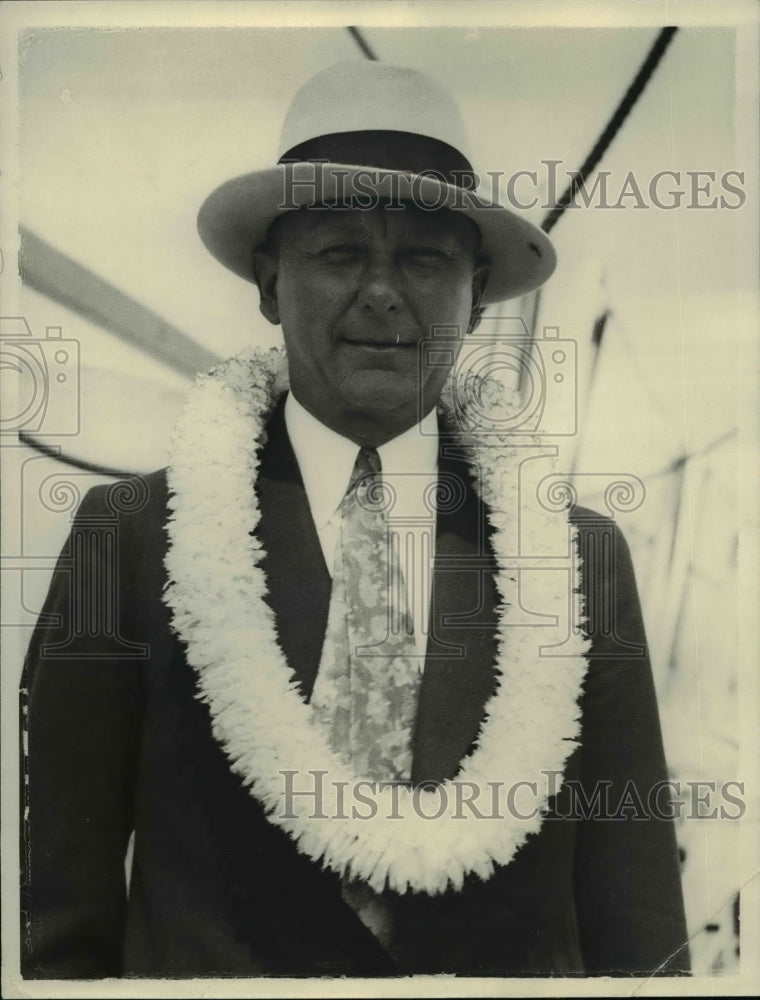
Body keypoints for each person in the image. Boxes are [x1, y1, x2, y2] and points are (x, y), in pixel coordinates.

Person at [20, 60, 690, 978]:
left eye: (424, 257)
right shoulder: (129, 537)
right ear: (268, 282)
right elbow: (55, 928)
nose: (382, 292)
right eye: (339, 253)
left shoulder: (577, 561)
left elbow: (642, 937)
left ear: (478, 293)